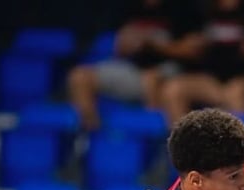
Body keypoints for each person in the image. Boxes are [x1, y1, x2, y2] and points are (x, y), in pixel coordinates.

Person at [67, 0, 203, 130]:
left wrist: (155, 45)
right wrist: (128, 42)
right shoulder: (129, 6)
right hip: (133, 70)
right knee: (79, 77)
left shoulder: (183, 7)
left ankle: (158, 140)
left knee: (152, 79)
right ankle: (89, 137)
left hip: (171, 69)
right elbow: (119, 47)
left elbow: (193, 51)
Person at [159, 0, 244, 125]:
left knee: (235, 92)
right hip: (212, 78)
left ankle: (240, 137)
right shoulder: (203, 8)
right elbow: (187, 45)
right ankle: (183, 137)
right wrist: (196, 45)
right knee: (173, 89)